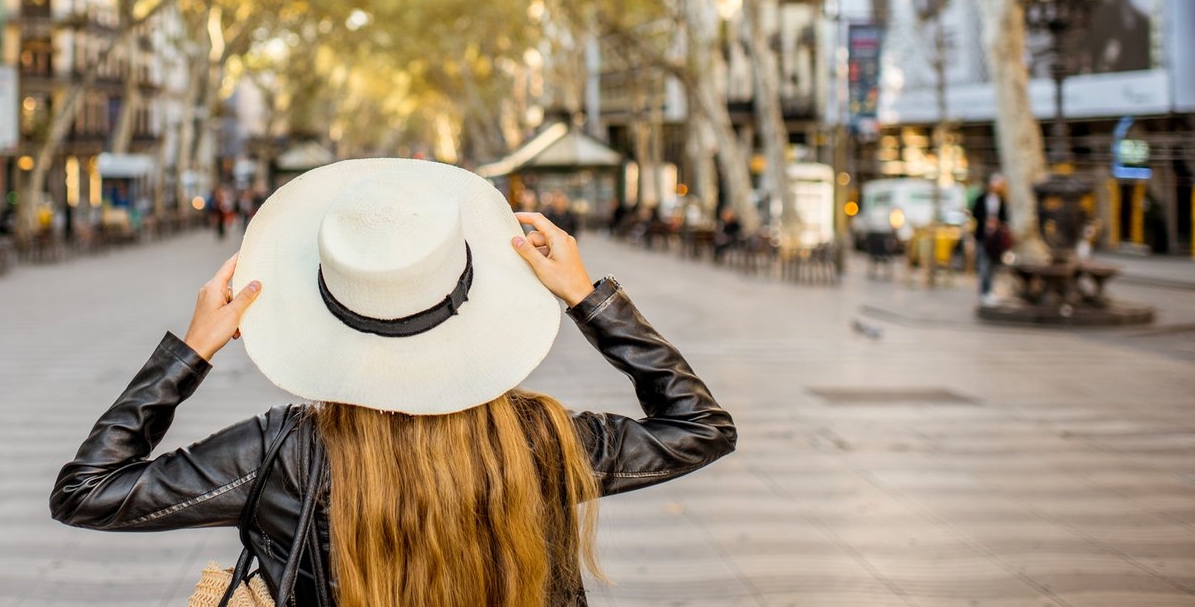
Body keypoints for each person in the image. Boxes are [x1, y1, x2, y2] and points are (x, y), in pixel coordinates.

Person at [51, 158, 735, 606]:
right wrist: (589, 298)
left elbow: (87, 491)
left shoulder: (282, 452)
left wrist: (191, 350)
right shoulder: (543, 440)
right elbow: (701, 428)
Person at [972, 174, 1010, 306]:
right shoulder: (981, 199)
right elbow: (975, 213)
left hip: (996, 240)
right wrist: (986, 222)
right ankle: (984, 292)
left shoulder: (1002, 201)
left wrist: (997, 223)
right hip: (983, 237)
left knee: (992, 267)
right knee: (983, 266)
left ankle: (989, 292)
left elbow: (1005, 218)